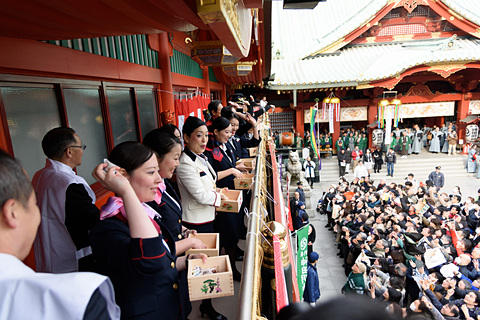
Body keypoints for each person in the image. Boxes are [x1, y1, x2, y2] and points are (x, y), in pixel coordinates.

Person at [90, 142, 209, 320]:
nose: (159, 179)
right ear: (122, 175)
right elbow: (151, 260)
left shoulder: (143, 213)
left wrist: (186, 260)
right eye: (151, 172)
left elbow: (161, 262)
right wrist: (125, 190)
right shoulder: (108, 229)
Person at [0, 150, 120, 320]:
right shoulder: (77, 299)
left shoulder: (40, 175)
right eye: (35, 204)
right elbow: (92, 219)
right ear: (13, 213)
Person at [175, 116, 229, 319]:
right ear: (187, 137)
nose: (204, 140)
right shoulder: (184, 163)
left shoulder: (200, 157)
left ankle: (207, 305)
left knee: (207, 264)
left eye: (206, 135)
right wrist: (218, 196)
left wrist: (217, 190)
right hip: (195, 222)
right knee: (199, 265)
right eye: (199, 135)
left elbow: (209, 184)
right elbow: (199, 195)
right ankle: (192, 308)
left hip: (208, 217)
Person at [32, 127, 99, 273]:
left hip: (46, 251)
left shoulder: (39, 175)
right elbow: (93, 220)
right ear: (69, 151)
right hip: (72, 256)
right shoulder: (70, 183)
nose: (82, 151)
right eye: (81, 147)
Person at [204, 117, 244, 282]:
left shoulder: (225, 145)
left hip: (231, 194)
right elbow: (213, 177)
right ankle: (230, 269)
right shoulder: (209, 151)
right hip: (221, 197)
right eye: (226, 131)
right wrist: (232, 170)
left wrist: (237, 167)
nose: (230, 134)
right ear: (215, 132)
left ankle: (232, 265)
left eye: (230, 131)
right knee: (227, 234)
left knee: (233, 233)